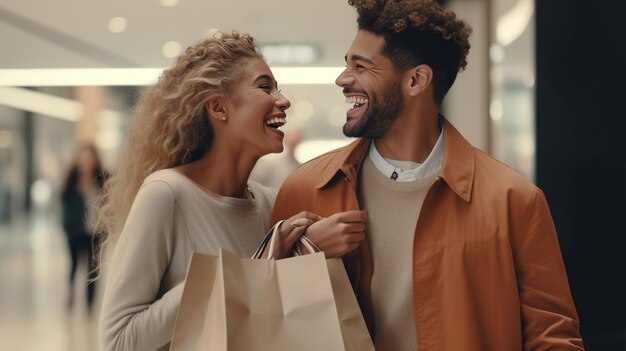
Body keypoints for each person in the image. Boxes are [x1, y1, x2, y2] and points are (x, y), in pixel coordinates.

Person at [270, 1, 584, 350]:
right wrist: (305, 252)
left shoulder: (513, 199)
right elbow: (265, 319)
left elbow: (552, 335)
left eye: (361, 66)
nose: (343, 79)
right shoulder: (306, 190)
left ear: (416, 80)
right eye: (347, 64)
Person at [97, 32, 364, 351]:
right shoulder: (166, 194)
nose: (283, 100)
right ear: (219, 108)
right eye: (265, 87)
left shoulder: (268, 202)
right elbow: (118, 340)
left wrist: (300, 256)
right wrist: (256, 265)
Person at [61, 143, 108, 313]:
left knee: (92, 269)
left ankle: (89, 304)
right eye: (83, 157)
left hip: (95, 231)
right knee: (73, 264)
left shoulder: (102, 178)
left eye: (90, 157)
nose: (86, 161)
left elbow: (109, 203)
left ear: (95, 159)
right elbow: (65, 203)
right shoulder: (72, 179)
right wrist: (67, 226)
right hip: (75, 231)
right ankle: (71, 294)